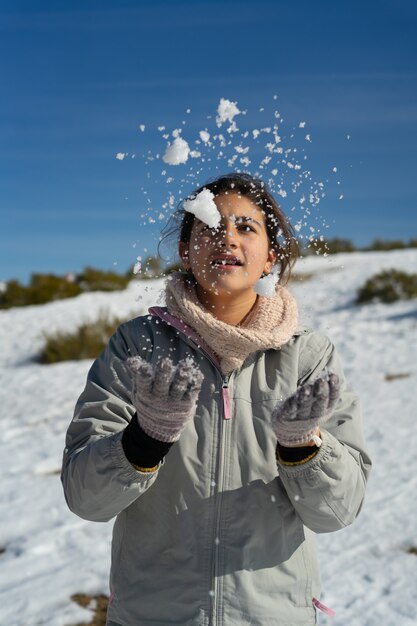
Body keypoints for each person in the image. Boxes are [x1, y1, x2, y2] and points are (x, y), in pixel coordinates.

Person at [62, 172, 371, 626]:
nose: (227, 237)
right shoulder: (138, 348)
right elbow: (86, 499)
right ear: (186, 251)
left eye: (246, 227)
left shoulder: (307, 354)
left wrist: (304, 447)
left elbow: (338, 511)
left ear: (270, 256)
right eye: (210, 226)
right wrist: (144, 441)